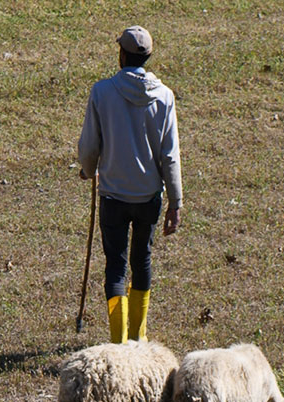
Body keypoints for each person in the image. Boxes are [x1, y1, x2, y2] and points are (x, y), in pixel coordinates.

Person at [77, 25, 181, 344]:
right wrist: (175, 202)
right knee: (142, 261)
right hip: (148, 196)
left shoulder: (102, 92)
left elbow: (89, 146)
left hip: (113, 196)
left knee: (116, 267)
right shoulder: (164, 96)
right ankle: (139, 337)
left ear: (121, 54)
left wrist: (88, 170)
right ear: (148, 56)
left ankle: (118, 342)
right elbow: (170, 155)